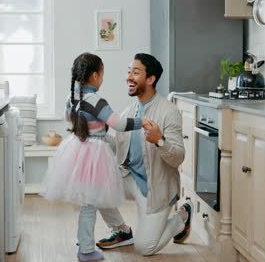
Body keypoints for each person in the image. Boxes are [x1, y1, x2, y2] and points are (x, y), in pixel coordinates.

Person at [41, 52, 150, 262]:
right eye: (102, 74)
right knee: (90, 203)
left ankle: (121, 230)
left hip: (77, 148)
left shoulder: (71, 97)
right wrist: (141, 122)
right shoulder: (96, 100)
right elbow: (117, 123)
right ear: (94, 75)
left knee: (95, 195)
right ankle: (86, 248)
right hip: (95, 151)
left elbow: (67, 118)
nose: (102, 79)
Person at [96, 53, 193, 255]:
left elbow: (178, 158)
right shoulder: (128, 111)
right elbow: (120, 150)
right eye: (129, 71)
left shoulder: (169, 112)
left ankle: (181, 217)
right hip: (130, 178)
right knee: (94, 185)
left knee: (145, 248)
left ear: (150, 79)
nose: (129, 77)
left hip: (156, 187)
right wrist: (99, 132)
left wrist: (159, 140)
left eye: (136, 72)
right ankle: (121, 231)